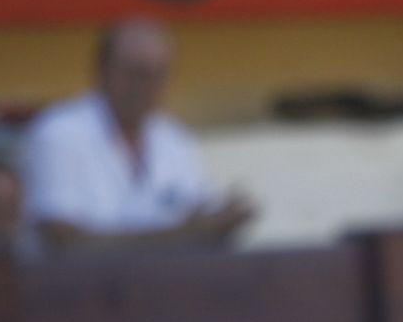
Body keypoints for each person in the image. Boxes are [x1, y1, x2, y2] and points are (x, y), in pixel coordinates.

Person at [20, 19, 254, 253]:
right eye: (136, 74)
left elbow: (196, 213)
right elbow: (63, 240)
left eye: (158, 75)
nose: (146, 87)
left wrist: (223, 218)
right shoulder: (59, 133)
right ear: (101, 70)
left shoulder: (176, 140)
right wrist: (181, 234)